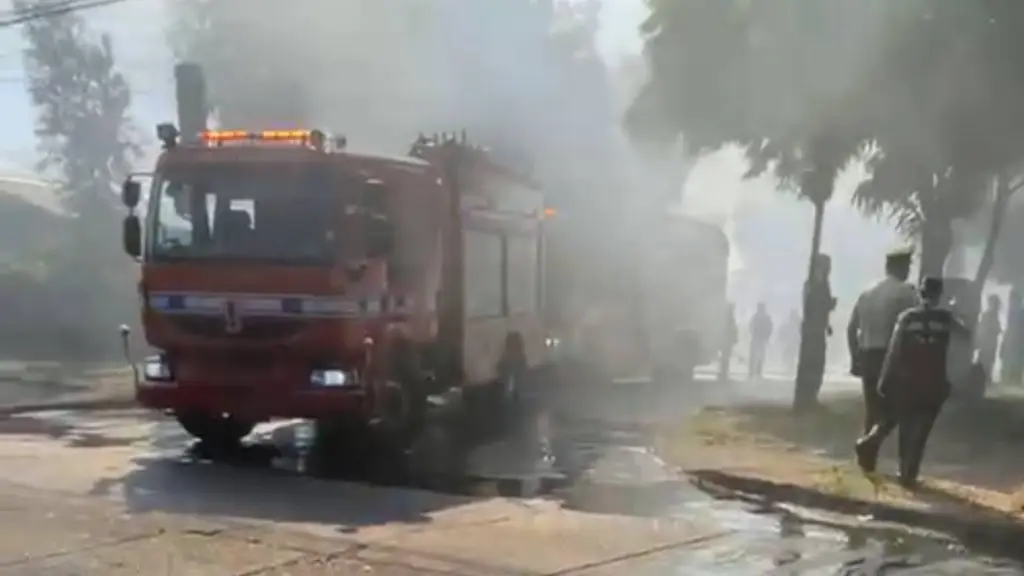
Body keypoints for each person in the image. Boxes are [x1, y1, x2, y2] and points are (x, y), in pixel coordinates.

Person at [854, 277, 969, 487]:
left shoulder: (906, 318)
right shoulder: (945, 319)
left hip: (906, 379)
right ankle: (908, 473)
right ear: (939, 294)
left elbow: (894, 350)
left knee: (897, 421)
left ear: (920, 293)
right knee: (921, 429)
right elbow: (965, 335)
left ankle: (870, 443)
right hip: (933, 380)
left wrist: (885, 379)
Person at [847, 247, 918, 435]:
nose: (908, 270)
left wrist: (855, 357)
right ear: (900, 267)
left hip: (868, 354)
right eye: (907, 266)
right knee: (896, 407)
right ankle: (879, 446)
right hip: (892, 357)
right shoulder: (906, 293)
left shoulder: (867, 293)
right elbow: (913, 327)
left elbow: (852, 328)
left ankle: (867, 448)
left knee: (872, 408)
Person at [794, 254, 837, 411]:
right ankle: (807, 397)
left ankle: (811, 396)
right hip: (812, 330)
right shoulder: (813, 284)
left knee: (817, 363)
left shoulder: (821, 284)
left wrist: (827, 324)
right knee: (812, 363)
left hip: (817, 328)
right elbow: (813, 308)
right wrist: (829, 304)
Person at [976, 295, 1002, 385]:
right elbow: (993, 329)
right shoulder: (990, 315)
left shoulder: (990, 314)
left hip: (989, 342)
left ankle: (984, 379)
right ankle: (984, 379)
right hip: (988, 342)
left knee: (987, 361)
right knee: (986, 361)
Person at [749, 302, 773, 379]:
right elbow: (770, 328)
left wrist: (752, 334)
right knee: (760, 355)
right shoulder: (767, 317)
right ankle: (758, 371)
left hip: (756, 338)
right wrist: (767, 337)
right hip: (761, 339)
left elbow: (750, 326)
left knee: (754, 355)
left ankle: (752, 371)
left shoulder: (755, 316)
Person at [719, 303, 738, 382]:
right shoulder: (730, 318)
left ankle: (723, 373)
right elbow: (732, 328)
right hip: (727, 340)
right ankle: (724, 374)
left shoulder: (725, 317)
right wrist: (735, 338)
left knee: (725, 357)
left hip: (725, 339)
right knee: (726, 357)